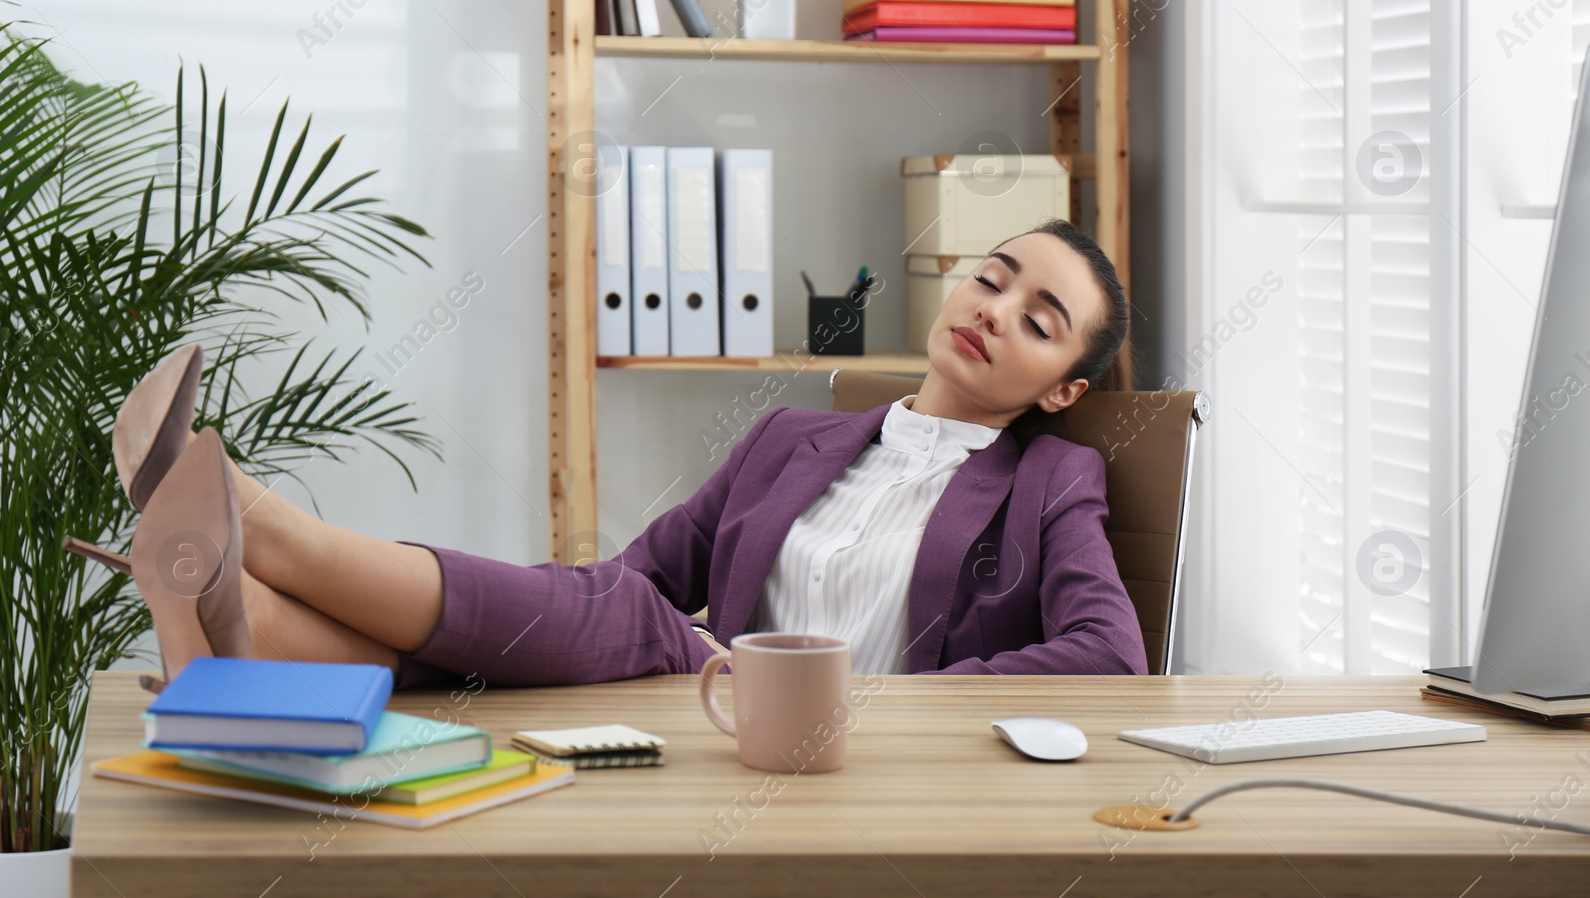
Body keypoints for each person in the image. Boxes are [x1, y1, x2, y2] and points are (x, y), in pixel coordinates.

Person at [67, 217, 1148, 691]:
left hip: (823, 731)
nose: (995, 309)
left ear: (1062, 387)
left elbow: (1109, 654)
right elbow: (630, 579)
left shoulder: (1053, 478)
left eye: (1041, 318)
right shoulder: (792, 438)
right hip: (714, 712)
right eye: (993, 276)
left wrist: (877, 700)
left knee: (625, 624)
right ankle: (238, 626)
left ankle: (271, 536)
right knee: (589, 617)